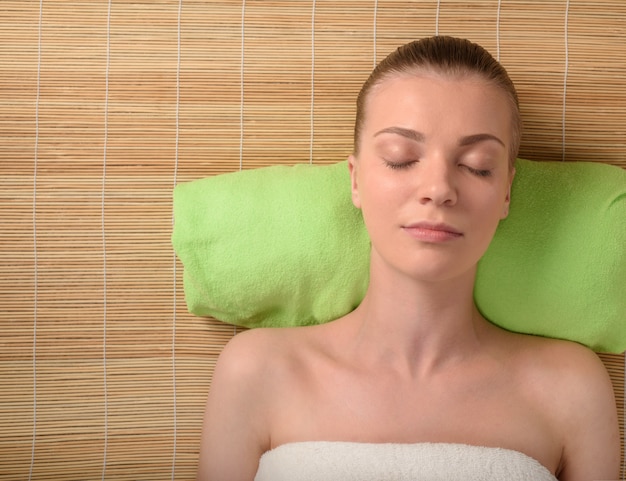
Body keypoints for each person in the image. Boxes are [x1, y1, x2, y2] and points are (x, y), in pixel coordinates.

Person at [197, 36, 620, 480]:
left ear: (507, 192)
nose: (438, 188)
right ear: (356, 180)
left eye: (477, 165)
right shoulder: (256, 372)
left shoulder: (571, 389)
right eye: (401, 159)